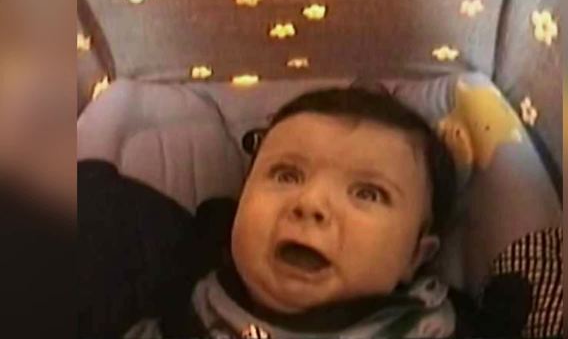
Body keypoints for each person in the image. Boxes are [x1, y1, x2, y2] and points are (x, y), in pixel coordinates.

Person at [121, 86, 467, 338]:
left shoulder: (427, 329)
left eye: (367, 193)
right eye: (286, 175)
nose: (310, 203)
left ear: (414, 257)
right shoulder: (186, 314)